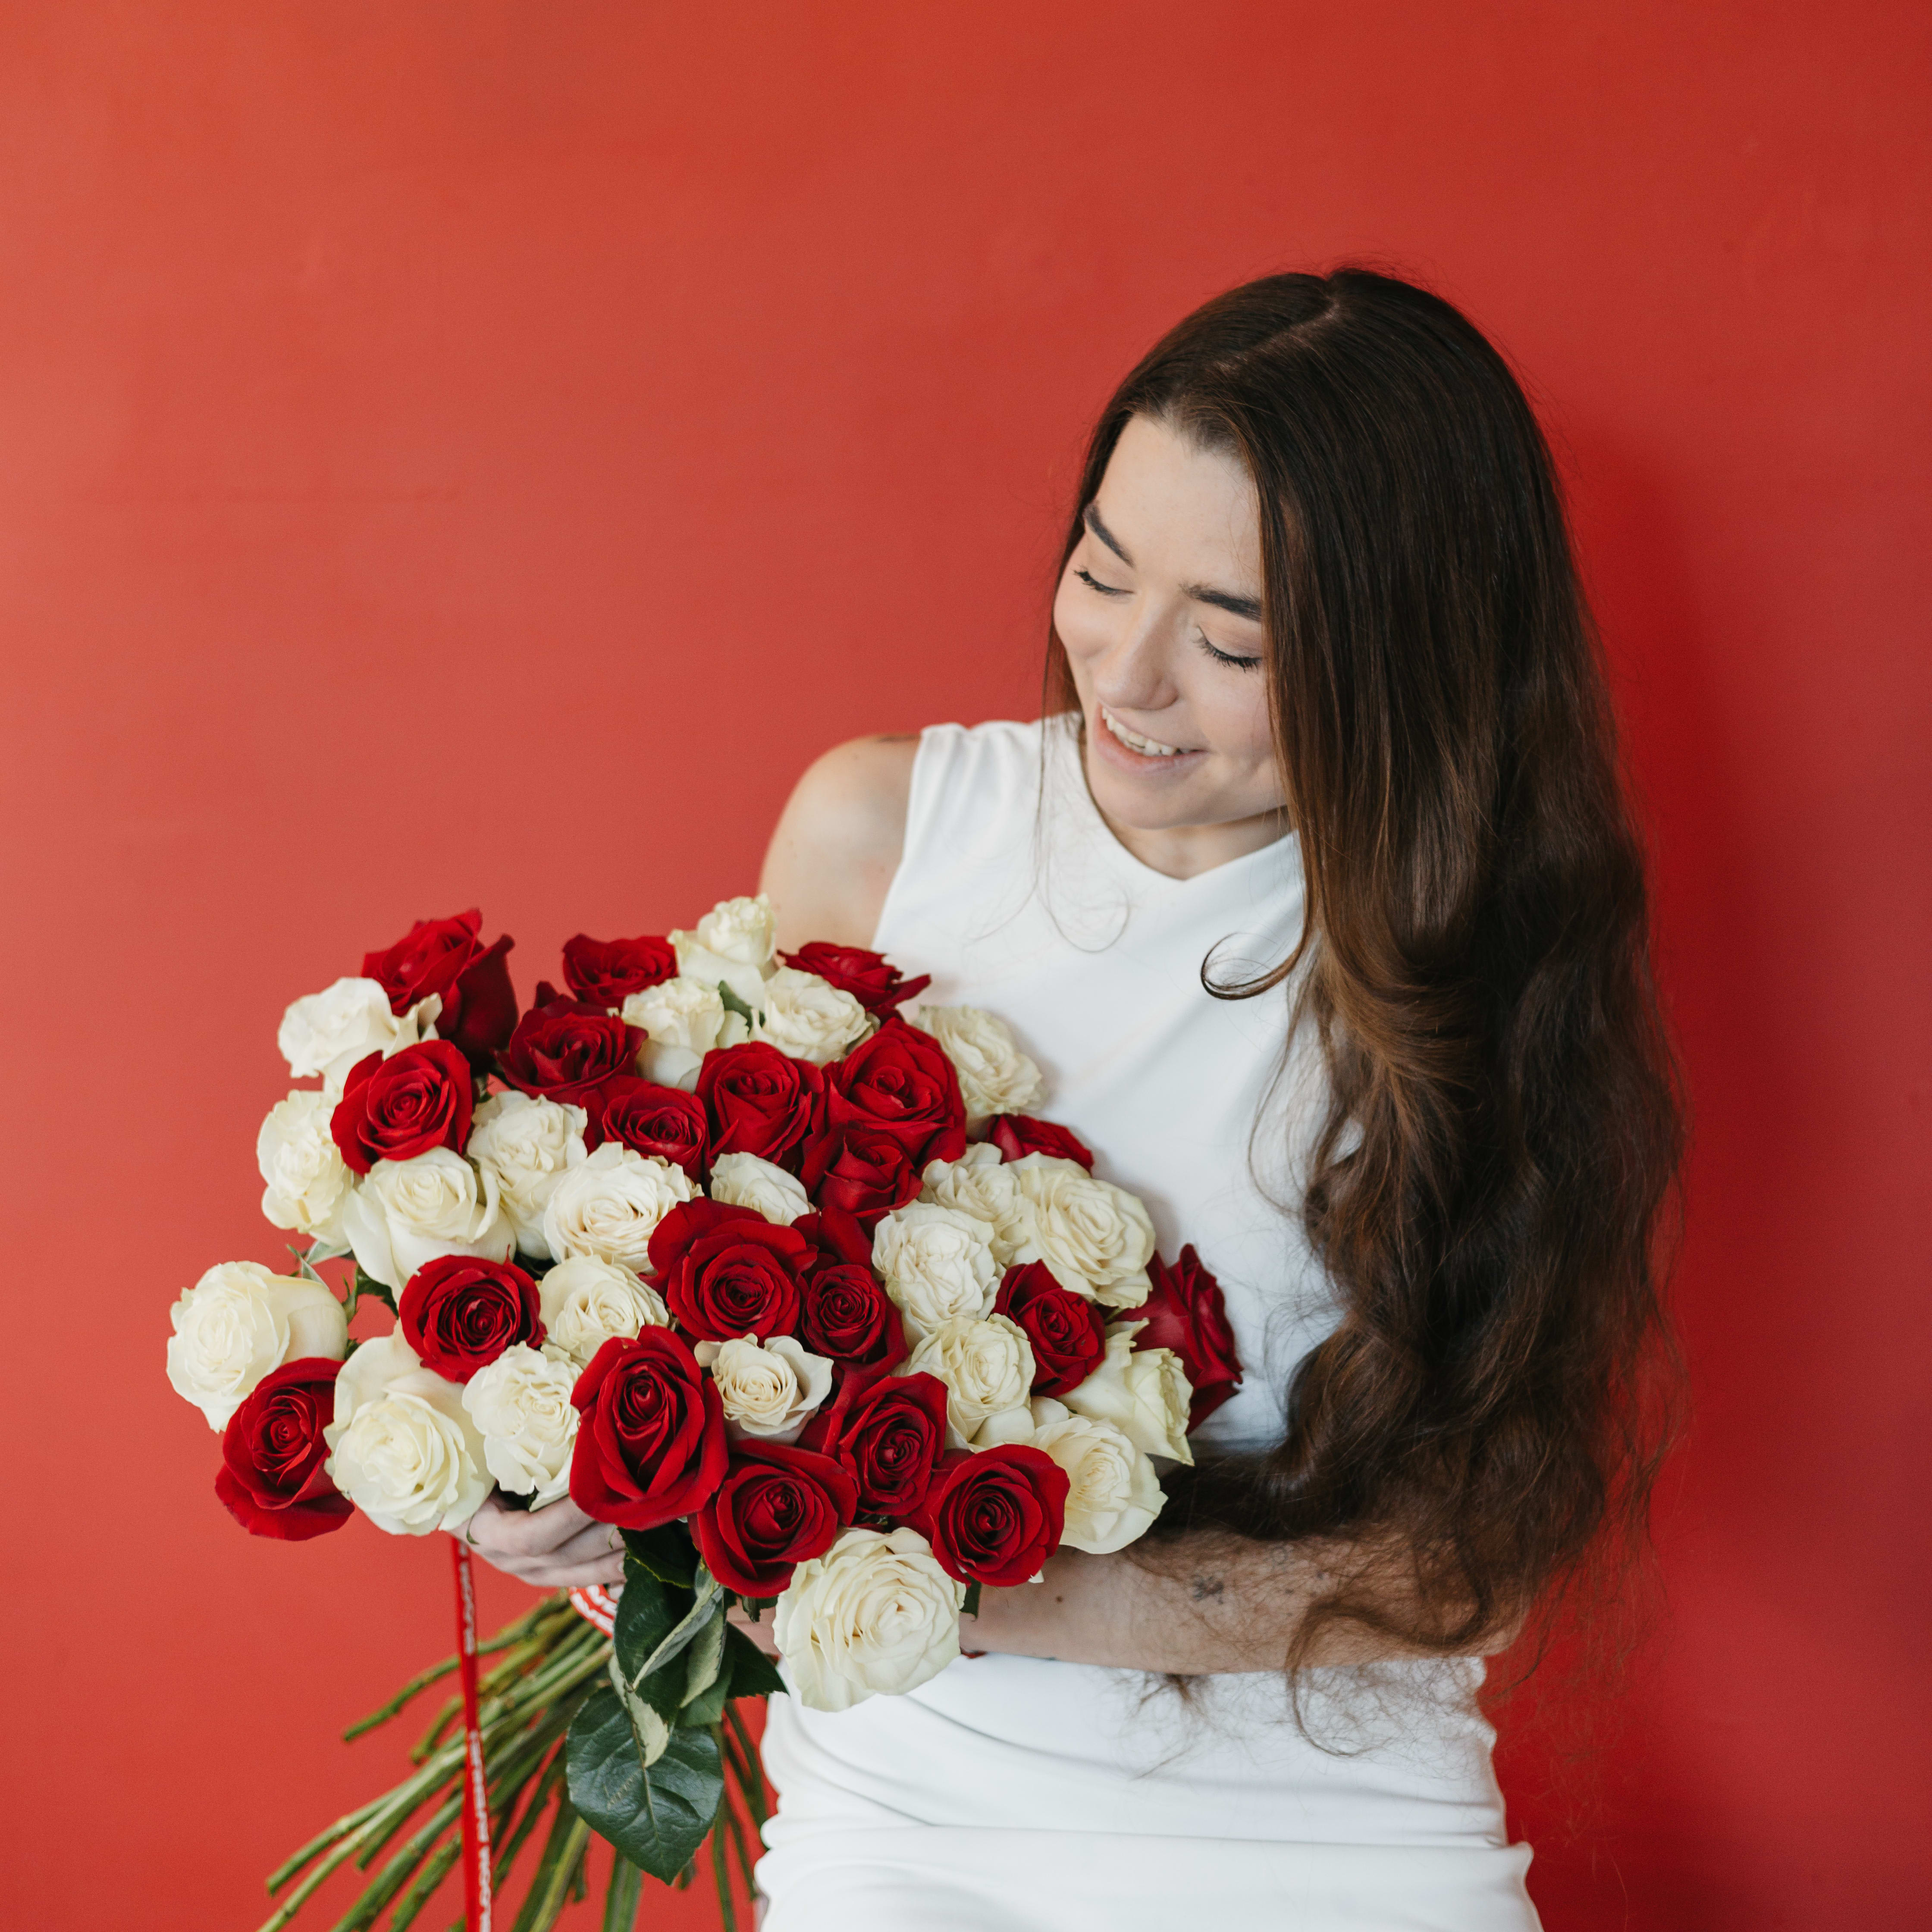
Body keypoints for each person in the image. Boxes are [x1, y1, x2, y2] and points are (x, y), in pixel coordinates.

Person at [466, 267, 1683, 1930]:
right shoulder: (885, 838)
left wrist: (972, 1586)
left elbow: (1467, 1565)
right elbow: (731, 1320)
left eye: (1232, 639)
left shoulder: (1473, 952)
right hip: (911, 1825)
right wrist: (595, 1496)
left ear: (1405, 658)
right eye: (1103, 573)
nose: (1127, 674)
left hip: (1342, 1832)